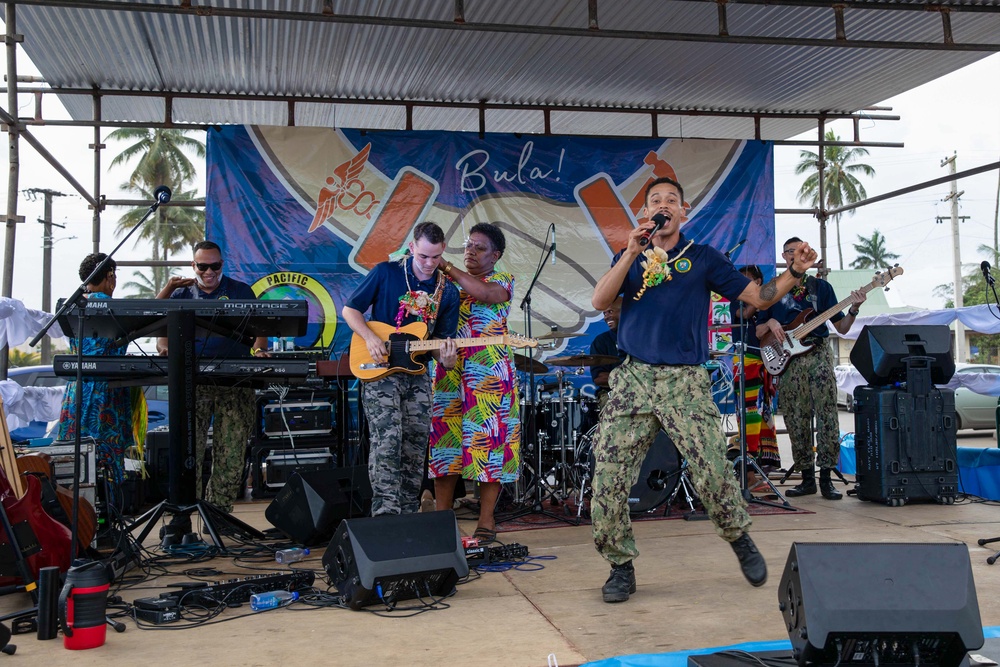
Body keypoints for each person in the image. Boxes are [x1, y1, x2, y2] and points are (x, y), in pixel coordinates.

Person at [589, 176, 818, 603]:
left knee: (712, 468)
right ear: (645, 213)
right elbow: (600, 300)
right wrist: (631, 253)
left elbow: (760, 297)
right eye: (655, 200)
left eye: (671, 200)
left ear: (684, 210)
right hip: (634, 377)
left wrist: (793, 273)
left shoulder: (704, 258)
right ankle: (620, 566)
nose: (663, 205)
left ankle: (738, 537)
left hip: (685, 380)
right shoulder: (631, 253)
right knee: (608, 477)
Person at [342, 222, 460, 516]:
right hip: (380, 369)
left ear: (443, 250)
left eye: (435, 257)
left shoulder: (448, 292)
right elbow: (350, 309)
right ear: (411, 248)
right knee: (388, 440)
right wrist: (370, 337)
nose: (429, 264)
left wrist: (447, 359)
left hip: (417, 373)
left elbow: (439, 342)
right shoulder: (387, 272)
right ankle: (385, 513)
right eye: (423, 256)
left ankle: (408, 513)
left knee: (416, 443)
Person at [156, 241, 269, 519]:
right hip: (192, 382)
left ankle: (217, 515)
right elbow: (155, 321)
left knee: (231, 452)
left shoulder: (240, 291)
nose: (209, 272)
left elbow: (260, 329)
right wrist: (163, 343)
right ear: (193, 266)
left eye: (215, 266)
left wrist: (259, 350)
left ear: (222, 265)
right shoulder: (181, 293)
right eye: (202, 266)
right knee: (187, 451)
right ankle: (185, 514)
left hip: (235, 382)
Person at [427, 223, 519, 542]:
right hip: (451, 370)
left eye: (479, 248)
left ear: (495, 255)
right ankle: (440, 519)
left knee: (487, 446)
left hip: (489, 374)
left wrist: (446, 265)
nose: (471, 251)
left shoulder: (501, 280)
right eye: (468, 245)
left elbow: (481, 293)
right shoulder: (444, 284)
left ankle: (486, 520)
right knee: (446, 444)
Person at [756, 237, 866, 501]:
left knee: (828, 413)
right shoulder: (773, 289)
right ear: (784, 257)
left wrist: (854, 308)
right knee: (795, 416)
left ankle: (826, 477)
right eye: (791, 252)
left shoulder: (821, 288)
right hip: (789, 360)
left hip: (817, 353)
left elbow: (841, 328)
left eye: (801, 251)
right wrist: (770, 320)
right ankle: (806, 477)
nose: (796, 255)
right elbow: (758, 331)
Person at [58, 253, 142, 485]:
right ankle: (109, 510)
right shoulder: (107, 304)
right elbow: (144, 320)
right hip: (105, 391)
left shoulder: (74, 304)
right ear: (110, 276)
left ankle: (82, 512)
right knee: (106, 460)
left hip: (78, 390)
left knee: (79, 460)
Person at [729, 265, 781, 472]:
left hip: (765, 361)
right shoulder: (740, 300)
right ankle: (749, 466)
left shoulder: (768, 303)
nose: (741, 284)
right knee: (748, 413)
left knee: (765, 414)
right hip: (745, 362)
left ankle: (765, 463)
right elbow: (745, 313)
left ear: (757, 281)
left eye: (746, 279)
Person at [589, 296, 625, 412]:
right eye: (604, 314)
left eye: (610, 311)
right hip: (611, 392)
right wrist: (629, 381)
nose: (606, 316)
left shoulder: (641, 336)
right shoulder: (601, 341)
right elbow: (599, 378)